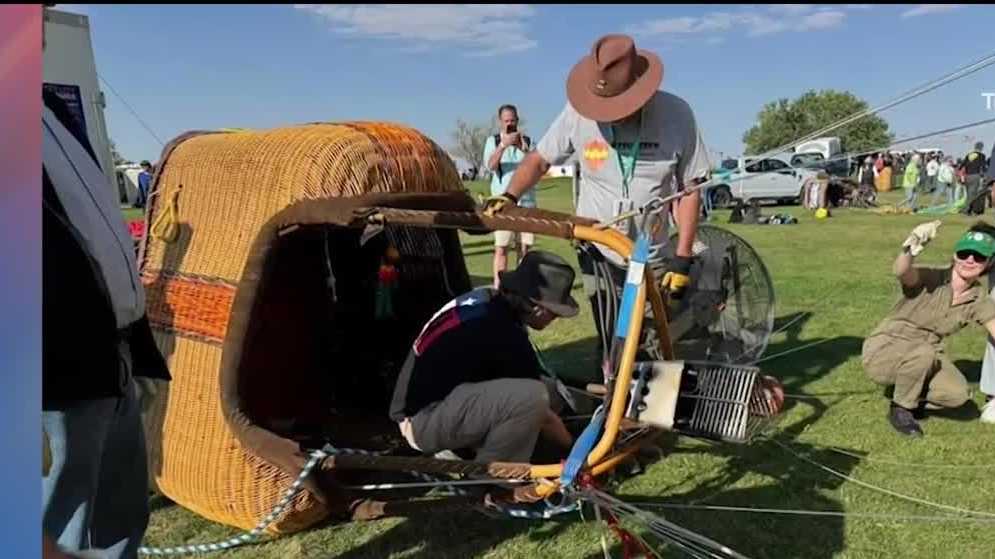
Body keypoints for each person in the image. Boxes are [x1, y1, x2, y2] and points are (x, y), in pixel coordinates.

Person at [481, 34, 711, 366]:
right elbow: (538, 159)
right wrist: (509, 194)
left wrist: (683, 257)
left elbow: (690, 189)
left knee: (647, 340)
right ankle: (611, 400)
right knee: (609, 336)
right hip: (598, 249)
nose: (610, 115)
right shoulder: (578, 114)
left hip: (651, 254)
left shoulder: (677, 115)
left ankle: (643, 407)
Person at [42, 11, 171, 555]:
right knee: (60, 524)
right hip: (55, 373)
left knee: (118, 519)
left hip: (109, 354)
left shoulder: (47, 111)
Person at [389, 250, 576, 476]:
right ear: (537, 306)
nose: (553, 321)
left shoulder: (487, 300)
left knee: (543, 391)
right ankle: (491, 478)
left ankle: (466, 449)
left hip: (425, 407)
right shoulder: (504, 331)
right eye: (554, 314)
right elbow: (543, 414)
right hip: (422, 422)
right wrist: (574, 450)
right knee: (533, 397)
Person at [862, 221, 995, 436]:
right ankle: (901, 409)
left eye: (979, 257)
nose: (970, 260)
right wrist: (910, 247)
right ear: (955, 256)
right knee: (923, 353)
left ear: (988, 263)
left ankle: (909, 394)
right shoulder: (932, 276)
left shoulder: (978, 297)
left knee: (959, 395)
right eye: (964, 253)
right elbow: (902, 271)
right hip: (886, 349)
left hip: (927, 352)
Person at [483, 104, 537, 287]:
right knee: (501, 247)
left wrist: (523, 148)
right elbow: (489, 166)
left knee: (525, 249)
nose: (510, 124)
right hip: (501, 204)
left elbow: (537, 166)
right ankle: (499, 286)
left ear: (518, 120)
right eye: (506, 121)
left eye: (513, 121)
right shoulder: (493, 141)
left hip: (526, 203)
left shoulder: (528, 141)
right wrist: (503, 146)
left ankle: (522, 287)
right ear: (500, 122)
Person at [960, 142, 988, 215]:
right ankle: (966, 210)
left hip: (967, 176)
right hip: (975, 176)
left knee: (969, 194)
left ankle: (967, 209)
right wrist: (985, 175)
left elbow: (962, 165)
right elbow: (983, 166)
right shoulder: (982, 155)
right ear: (981, 147)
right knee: (972, 195)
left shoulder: (969, 155)